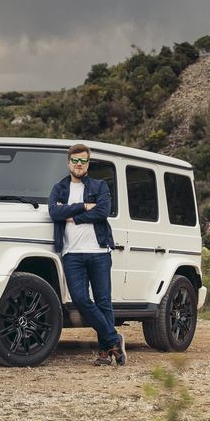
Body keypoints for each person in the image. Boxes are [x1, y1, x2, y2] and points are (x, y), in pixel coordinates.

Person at [48, 143, 126, 366]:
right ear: (68, 163)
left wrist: (75, 215)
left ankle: (104, 353)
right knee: (81, 300)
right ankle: (114, 339)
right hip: (72, 254)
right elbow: (54, 212)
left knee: (103, 302)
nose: (79, 164)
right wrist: (84, 206)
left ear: (88, 163)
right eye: (75, 160)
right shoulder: (59, 188)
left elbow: (103, 211)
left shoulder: (99, 185)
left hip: (99, 251)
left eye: (83, 161)